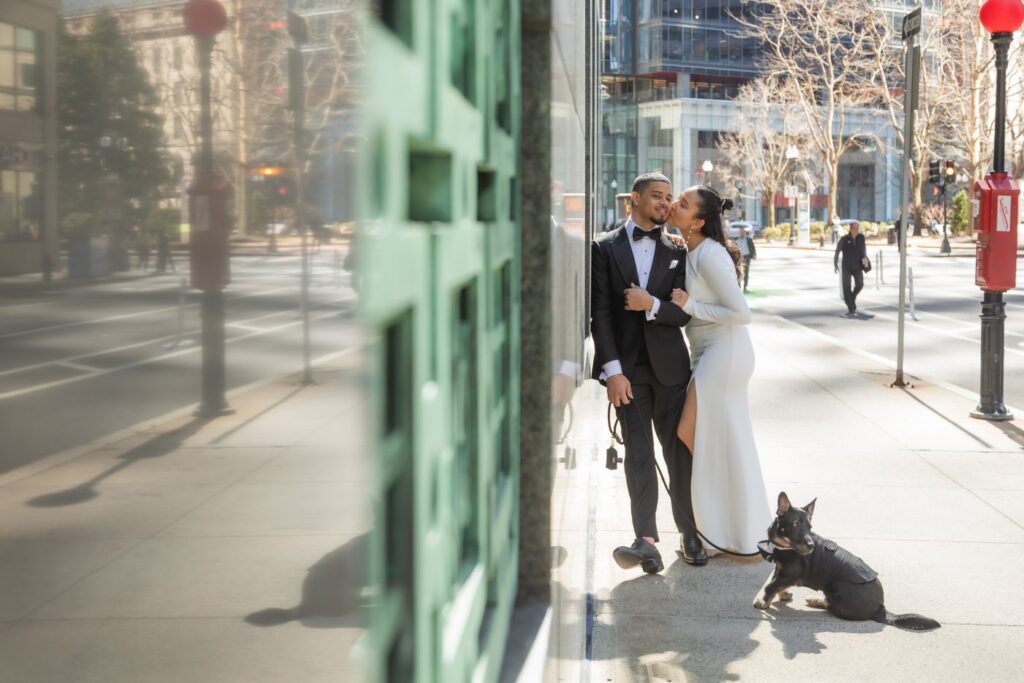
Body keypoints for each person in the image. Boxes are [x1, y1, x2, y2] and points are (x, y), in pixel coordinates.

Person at [591, 172, 705, 574]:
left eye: (669, 197)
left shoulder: (678, 251)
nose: (664, 203)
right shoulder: (603, 248)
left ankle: (689, 532)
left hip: (671, 370)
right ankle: (647, 541)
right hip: (628, 372)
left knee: (677, 452)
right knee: (638, 454)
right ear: (633, 200)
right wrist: (613, 372)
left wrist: (650, 305)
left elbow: (681, 312)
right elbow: (600, 315)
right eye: (657, 196)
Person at [666, 185, 770, 556]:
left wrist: (693, 305)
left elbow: (742, 313)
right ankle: (726, 525)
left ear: (697, 221)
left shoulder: (710, 255)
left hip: (725, 353)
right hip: (707, 352)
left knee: (689, 431)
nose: (673, 205)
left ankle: (720, 526)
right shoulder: (690, 249)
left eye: (682, 204)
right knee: (718, 439)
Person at [834, 221, 869, 317]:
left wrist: (865, 263)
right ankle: (851, 307)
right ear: (850, 229)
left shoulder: (861, 238)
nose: (856, 230)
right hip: (846, 267)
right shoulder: (844, 239)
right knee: (847, 287)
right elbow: (837, 251)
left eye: (858, 228)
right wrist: (835, 264)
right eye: (854, 228)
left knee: (860, 284)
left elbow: (863, 251)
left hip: (857, 266)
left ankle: (852, 298)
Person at [737, 226, 756, 292]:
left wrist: (754, 255)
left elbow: (752, 247)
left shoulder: (749, 239)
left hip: (747, 257)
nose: (741, 233)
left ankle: (745, 287)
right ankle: (738, 287)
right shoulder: (736, 240)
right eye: (740, 232)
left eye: (742, 232)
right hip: (739, 257)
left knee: (746, 272)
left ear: (745, 232)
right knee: (738, 272)